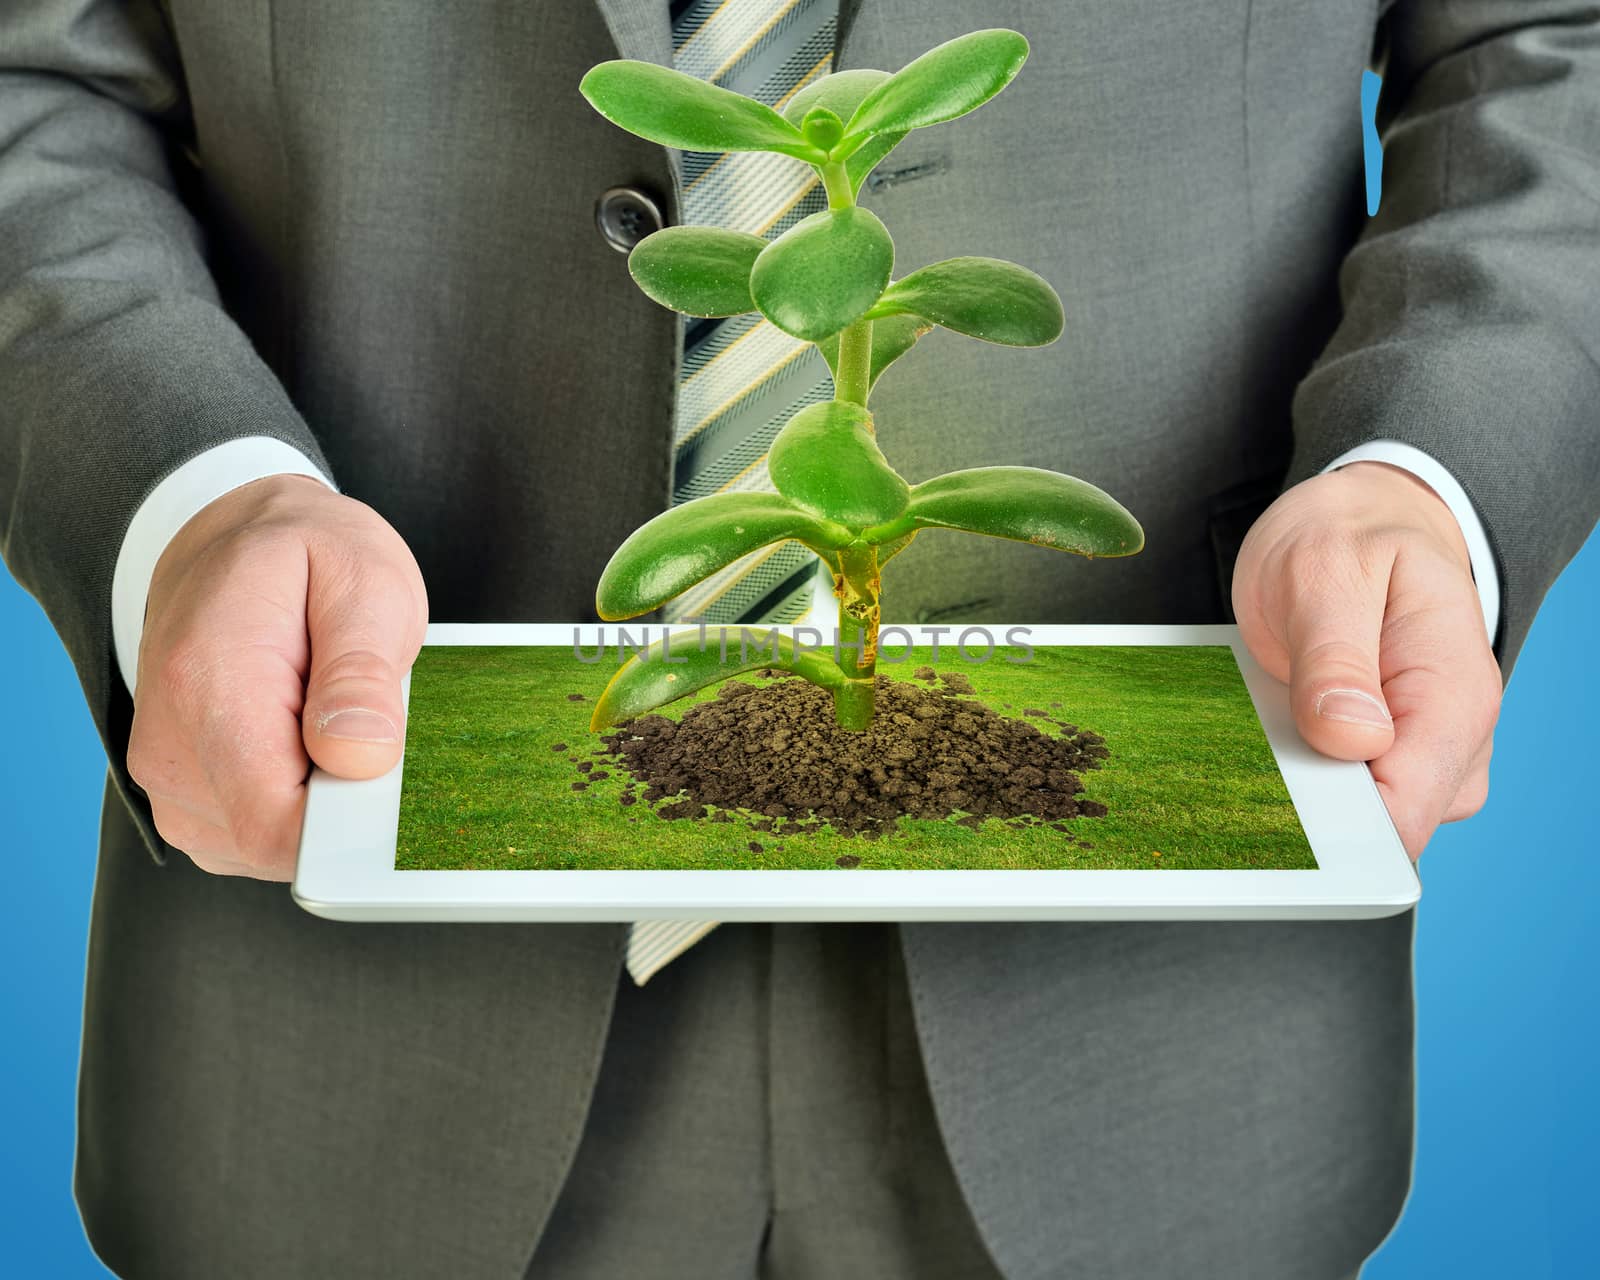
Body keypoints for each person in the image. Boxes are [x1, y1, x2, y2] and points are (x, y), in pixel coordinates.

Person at [1, 0, 1594, 1276]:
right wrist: (182, 492)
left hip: (1163, 1056)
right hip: (341, 1030)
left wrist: (1424, 466)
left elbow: (1547, 39)